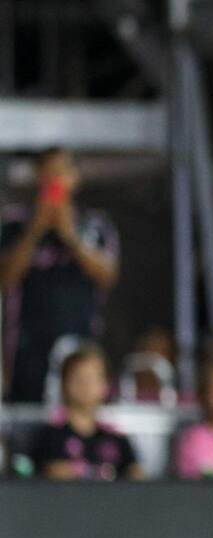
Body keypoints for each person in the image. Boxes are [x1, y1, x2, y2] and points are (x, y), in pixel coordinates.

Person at [0, 148, 119, 402]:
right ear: (37, 177)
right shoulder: (15, 223)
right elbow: (5, 276)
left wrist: (70, 235)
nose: (54, 180)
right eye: (47, 172)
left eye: (61, 172)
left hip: (81, 346)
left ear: (75, 177)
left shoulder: (95, 225)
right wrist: (36, 228)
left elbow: (107, 275)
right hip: (26, 349)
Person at [28, 343, 142, 481]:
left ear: (105, 385)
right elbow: (28, 477)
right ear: (64, 384)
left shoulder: (117, 439)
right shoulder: (48, 437)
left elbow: (137, 477)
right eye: (78, 378)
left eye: (92, 378)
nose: (85, 385)